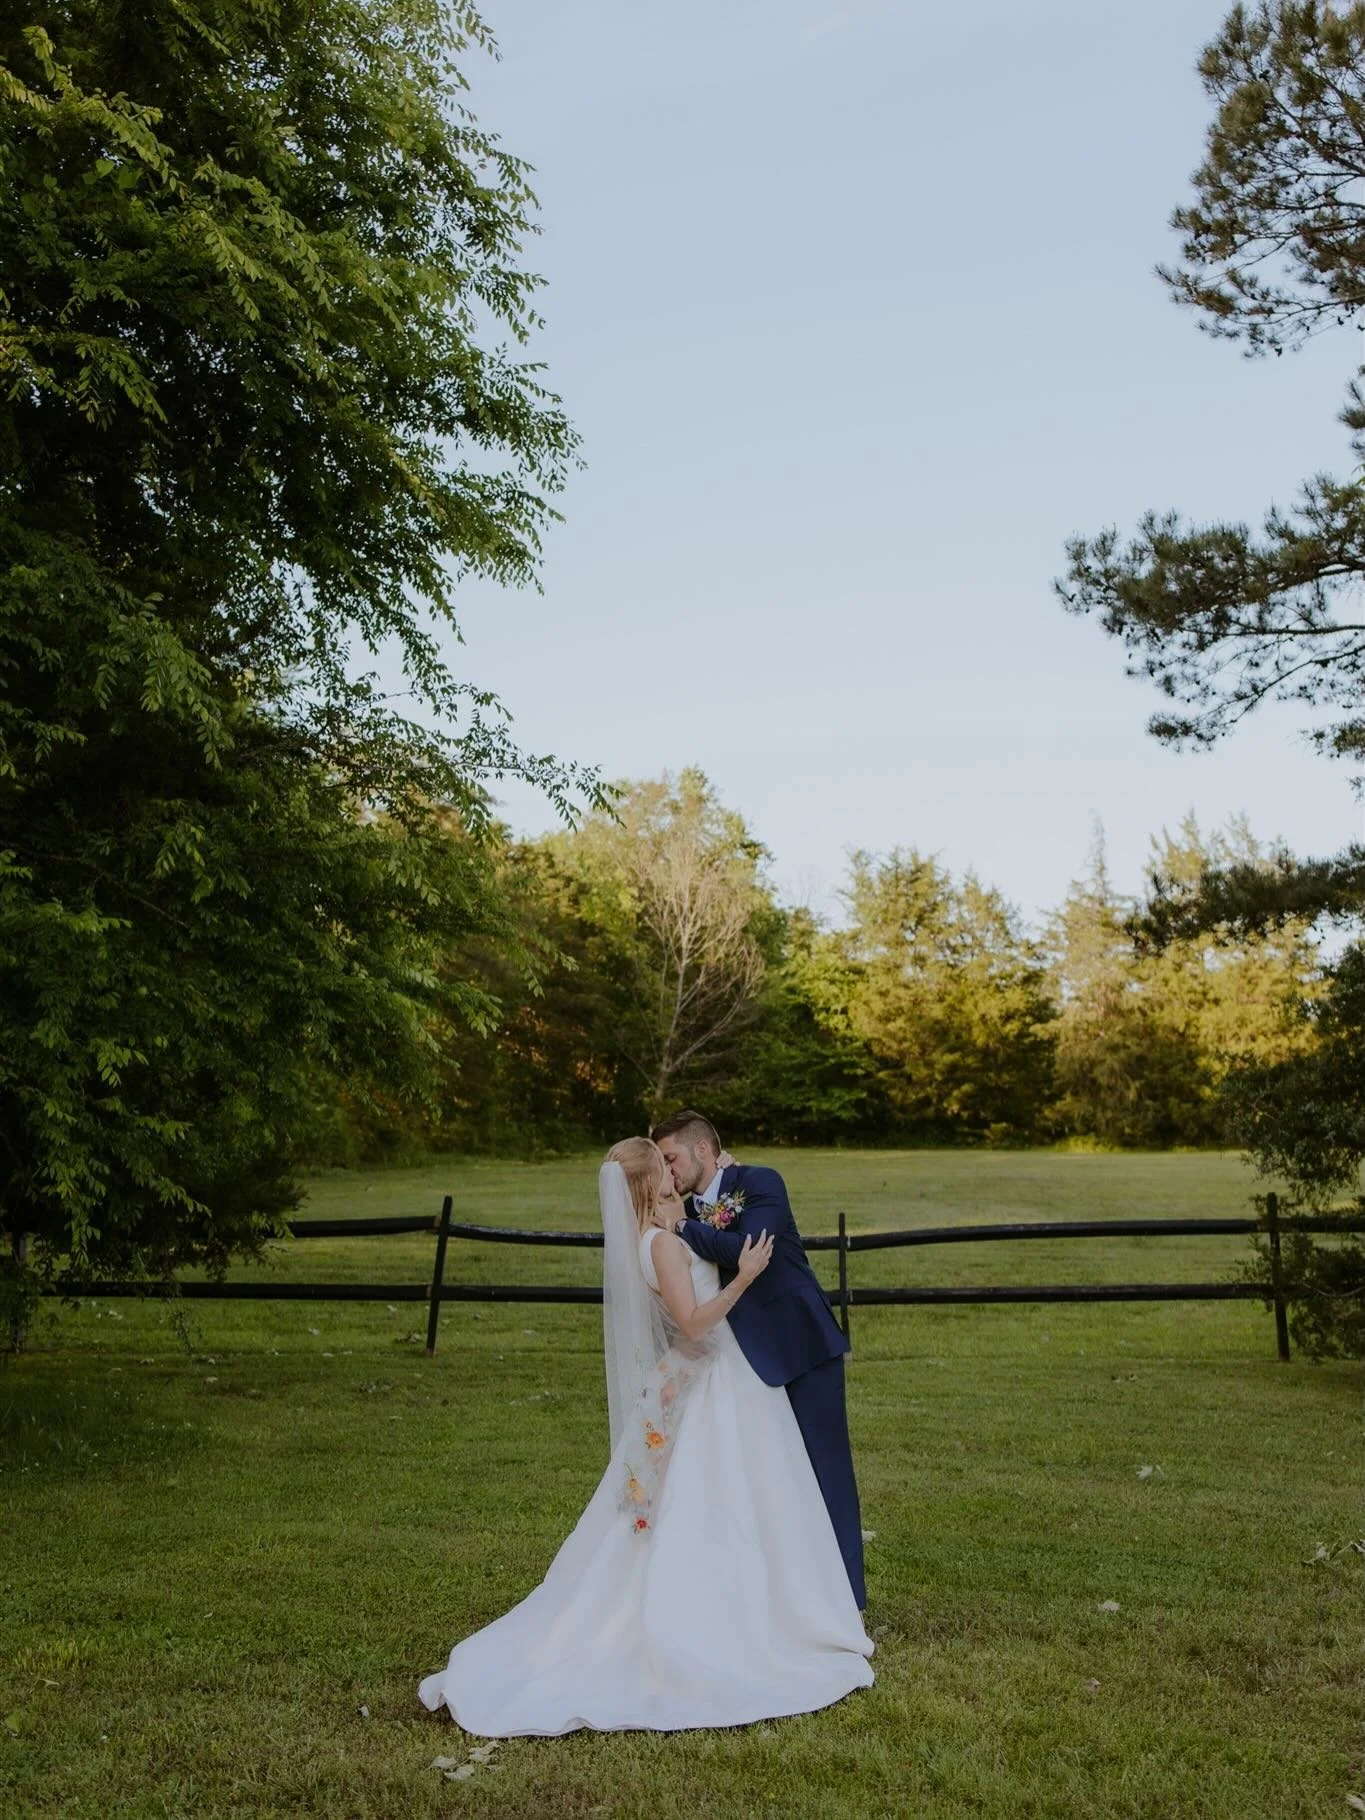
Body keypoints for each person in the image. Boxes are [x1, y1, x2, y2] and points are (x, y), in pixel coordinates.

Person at [417, 1137, 873, 1735]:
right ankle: (737, 1618)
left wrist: (712, 1203)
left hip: (723, 1376)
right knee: (718, 1499)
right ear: (646, 1180)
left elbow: (697, 1235)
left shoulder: (662, 1231)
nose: (671, 1170)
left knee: (751, 1494)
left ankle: (783, 1603)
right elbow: (694, 1322)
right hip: (714, 1378)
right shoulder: (658, 1244)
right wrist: (743, 1278)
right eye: (662, 1163)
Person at [651, 1110, 866, 1609]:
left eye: (672, 1158)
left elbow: (748, 1248)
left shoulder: (759, 1181)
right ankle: (789, 1598)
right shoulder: (686, 1206)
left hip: (800, 1346)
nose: (669, 1171)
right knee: (772, 1482)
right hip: (738, 1366)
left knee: (827, 1474)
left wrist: (682, 1225)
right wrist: (683, 1218)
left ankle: (849, 1602)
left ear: (702, 1149)